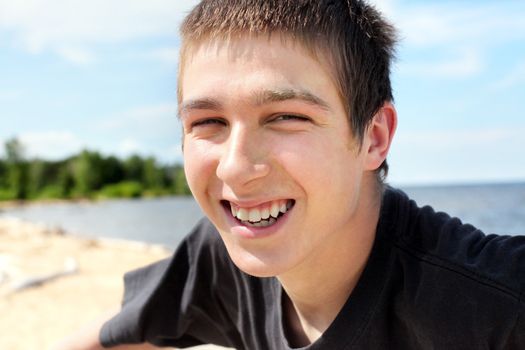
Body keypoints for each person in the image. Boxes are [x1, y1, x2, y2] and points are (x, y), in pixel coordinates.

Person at [54, 0, 525, 349]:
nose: (235, 167)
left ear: (374, 137)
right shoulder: (223, 257)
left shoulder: (494, 308)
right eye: (208, 123)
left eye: (285, 117)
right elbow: (115, 336)